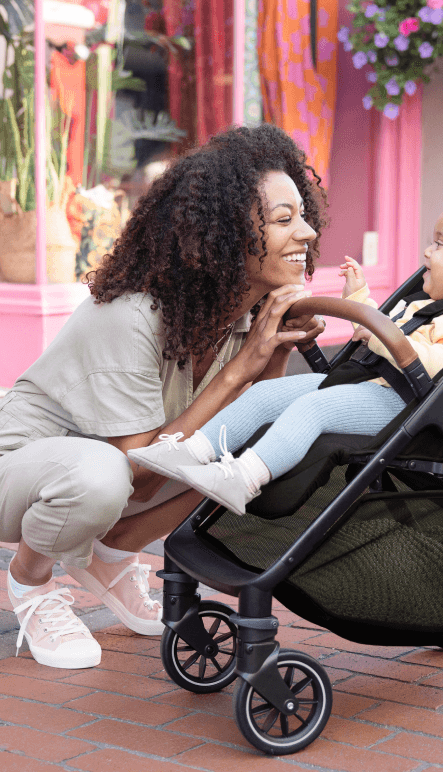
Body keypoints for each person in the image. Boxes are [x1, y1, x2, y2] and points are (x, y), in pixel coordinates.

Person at [0, 123, 327, 669]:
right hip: (18, 470)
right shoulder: (130, 316)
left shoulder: (241, 316)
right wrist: (237, 372)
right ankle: (30, 582)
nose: (308, 232)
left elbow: (250, 431)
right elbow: (141, 470)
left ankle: (111, 553)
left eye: (305, 215)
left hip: (104, 478)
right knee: (101, 474)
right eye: (284, 220)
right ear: (225, 234)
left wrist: (276, 351)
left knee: (257, 462)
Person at [129, 187, 443, 514]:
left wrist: (383, 333)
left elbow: (434, 366)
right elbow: (375, 332)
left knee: (312, 410)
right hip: (370, 385)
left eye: (439, 244)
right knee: (267, 393)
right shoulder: (424, 306)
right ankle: (191, 452)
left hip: (403, 403)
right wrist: (359, 298)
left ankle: (244, 478)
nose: (427, 252)